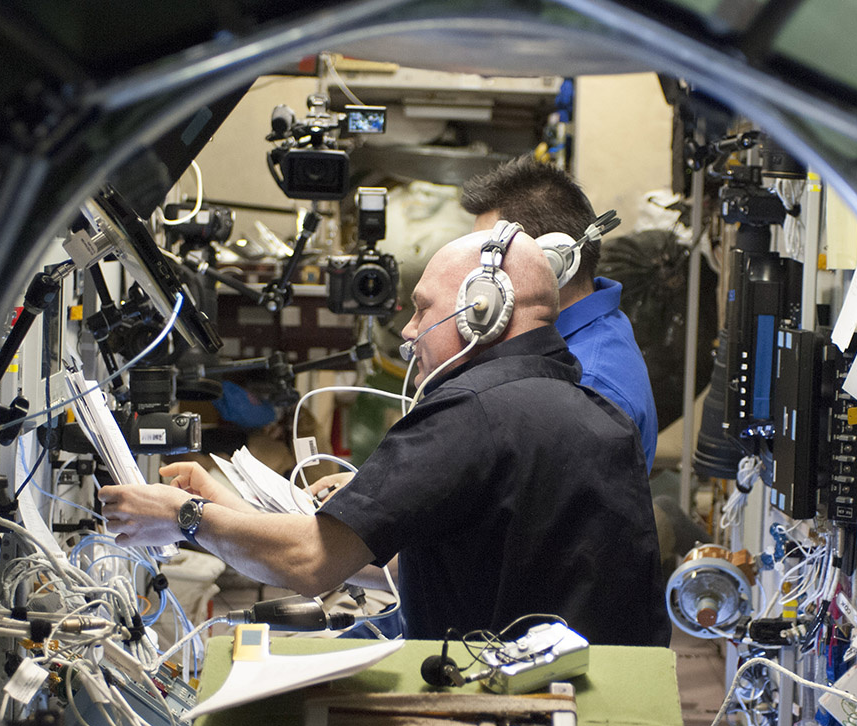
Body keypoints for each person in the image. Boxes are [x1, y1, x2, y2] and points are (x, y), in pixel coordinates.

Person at [99, 225, 670, 647]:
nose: (409, 329)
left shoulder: (470, 411)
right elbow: (393, 564)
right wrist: (227, 508)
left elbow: (313, 562)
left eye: (423, 310)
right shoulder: (591, 412)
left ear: (483, 311)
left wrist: (185, 517)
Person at [461, 156, 660, 472]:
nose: (480, 276)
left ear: (551, 263)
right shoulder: (572, 339)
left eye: (489, 257)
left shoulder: (588, 386)